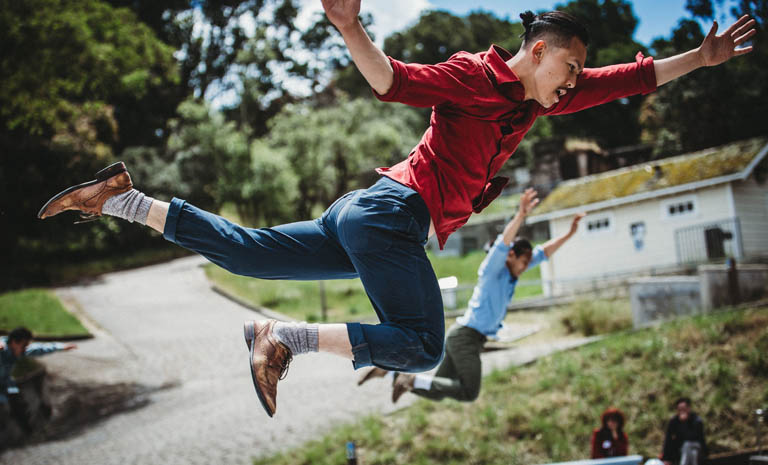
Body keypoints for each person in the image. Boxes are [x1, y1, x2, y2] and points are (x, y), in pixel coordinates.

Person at [37, 1, 757, 417]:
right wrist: (351, 28)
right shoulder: (473, 76)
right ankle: (281, 334)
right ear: (537, 52)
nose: (572, 88)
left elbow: (627, 80)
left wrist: (700, 57)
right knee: (423, 344)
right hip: (388, 216)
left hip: (371, 211)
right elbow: (393, 81)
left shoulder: (542, 96)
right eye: (566, 71)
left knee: (247, 251)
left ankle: (121, 196)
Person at [358, 189, 583, 403]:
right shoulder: (493, 268)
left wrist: (570, 233)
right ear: (511, 255)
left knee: (438, 390)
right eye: (523, 262)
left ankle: (389, 375)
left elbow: (544, 253)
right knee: (469, 391)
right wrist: (520, 215)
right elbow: (504, 241)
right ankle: (408, 378)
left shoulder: (512, 273)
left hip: (465, 338)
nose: (525, 267)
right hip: (466, 337)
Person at [0, 327, 76, 448]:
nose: (25, 349)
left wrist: (60, 347)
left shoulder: (18, 350)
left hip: (6, 383)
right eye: (24, 345)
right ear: (14, 342)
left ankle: (27, 430)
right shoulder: (3, 347)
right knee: (3, 406)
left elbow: (38, 349)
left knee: (16, 398)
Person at [661, 397, 708, 465]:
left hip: (695, 446)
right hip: (681, 450)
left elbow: (694, 438)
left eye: (684, 409)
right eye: (679, 409)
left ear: (689, 408)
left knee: (688, 445)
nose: (682, 411)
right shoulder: (674, 421)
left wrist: (684, 424)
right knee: (692, 453)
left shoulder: (696, 421)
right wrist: (666, 458)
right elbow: (668, 439)